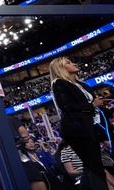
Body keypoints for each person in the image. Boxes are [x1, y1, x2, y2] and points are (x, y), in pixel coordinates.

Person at [49, 57, 114, 189]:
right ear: (60, 68)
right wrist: (91, 105)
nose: (74, 63)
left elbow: (91, 106)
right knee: (94, 166)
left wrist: (100, 103)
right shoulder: (59, 83)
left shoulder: (81, 84)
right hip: (78, 131)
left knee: (94, 166)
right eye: (68, 62)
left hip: (92, 127)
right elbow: (66, 106)